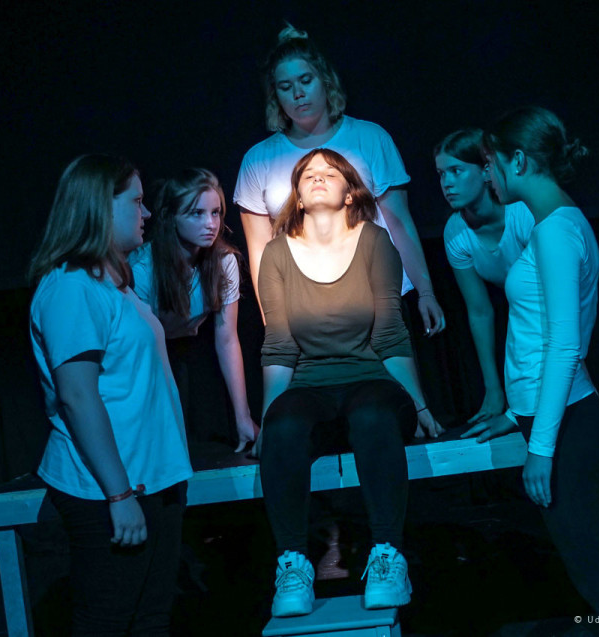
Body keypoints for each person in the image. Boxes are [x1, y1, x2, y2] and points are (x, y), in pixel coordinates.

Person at [463, 108, 599, 635]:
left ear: (518, 161)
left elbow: (566, 346)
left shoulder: (555, 232)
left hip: (565, 425)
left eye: (491, 163)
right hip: (554, 416)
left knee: (598, 581)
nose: (488, 175)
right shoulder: (556, 225)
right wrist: (515, 413)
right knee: (591, 579)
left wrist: (541, 448)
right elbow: (544, 334)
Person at [258, 148, 442, 617]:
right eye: (308, 174)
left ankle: (387, 555)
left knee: (373, 414)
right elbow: (278, 345)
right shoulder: (277, 253)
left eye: (330, 172)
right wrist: (267, 423)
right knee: (283, 425)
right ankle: (293, 564)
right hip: (310, 388)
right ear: (298, 197)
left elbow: (390, 334)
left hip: (370, 380)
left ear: (349, 192)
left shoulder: (375, 241)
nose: (318, 177)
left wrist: (419, 406)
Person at [28, 154, 193, 636]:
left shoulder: (114, 285)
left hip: (151, 479)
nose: (147, 213)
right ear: (101, 206)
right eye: (136, 202)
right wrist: (118, 494)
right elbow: (77, 396)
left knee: (149, 618)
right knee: (108, 621)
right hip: (109, 488)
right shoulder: (71, 288)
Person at [234, 24, 445, 337]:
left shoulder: (368, 138)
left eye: (306, 80)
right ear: (275, 94)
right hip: (305, 312)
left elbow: (399, 223)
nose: (298, 93)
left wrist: (426, 292)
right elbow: (261, 252)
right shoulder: (258, 160)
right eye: (285, 86)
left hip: (378, 299)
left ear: (325, 79)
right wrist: (274, 325)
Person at [129, 168, 258, 453]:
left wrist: (243, 417)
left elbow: (227, 338)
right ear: (171, 216)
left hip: (194, 347)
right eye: (196, 214)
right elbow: (143, 345)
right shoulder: (143, 268)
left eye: (216, 213)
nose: (210, 224)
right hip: (148, 355)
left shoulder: (224, 262)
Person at [436, 128, 533, 425]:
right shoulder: (456, 231)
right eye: (441, 174)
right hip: (517, 306)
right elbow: (479, 311)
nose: (447, 183)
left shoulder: (522, 213)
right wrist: (493, 389)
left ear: (486, 171)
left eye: (457, 171)